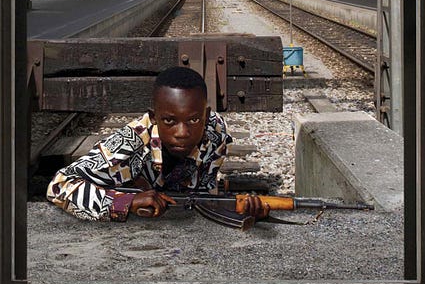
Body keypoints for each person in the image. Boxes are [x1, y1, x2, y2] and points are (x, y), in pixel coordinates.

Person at [47, 65, 270, 223]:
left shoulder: (216, 132)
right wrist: (127, 201)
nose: (182, 133)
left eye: (193, 120)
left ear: (207, 115)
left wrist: (241, 210)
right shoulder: (129, 145)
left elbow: (203, 196)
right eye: (169, 121)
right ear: (154, 117)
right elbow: (58, 186)